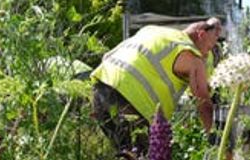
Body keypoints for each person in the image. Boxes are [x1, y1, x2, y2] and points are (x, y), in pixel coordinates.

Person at [90, 17, 222, 152]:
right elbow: (203, 103)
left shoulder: (151, 30)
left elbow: (107, 55)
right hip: (131, 106)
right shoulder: (192, 56)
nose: (206, 54)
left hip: (100, 90)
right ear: (201, 34)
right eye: (209, 48)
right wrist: (218, 144)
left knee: (122, 157)